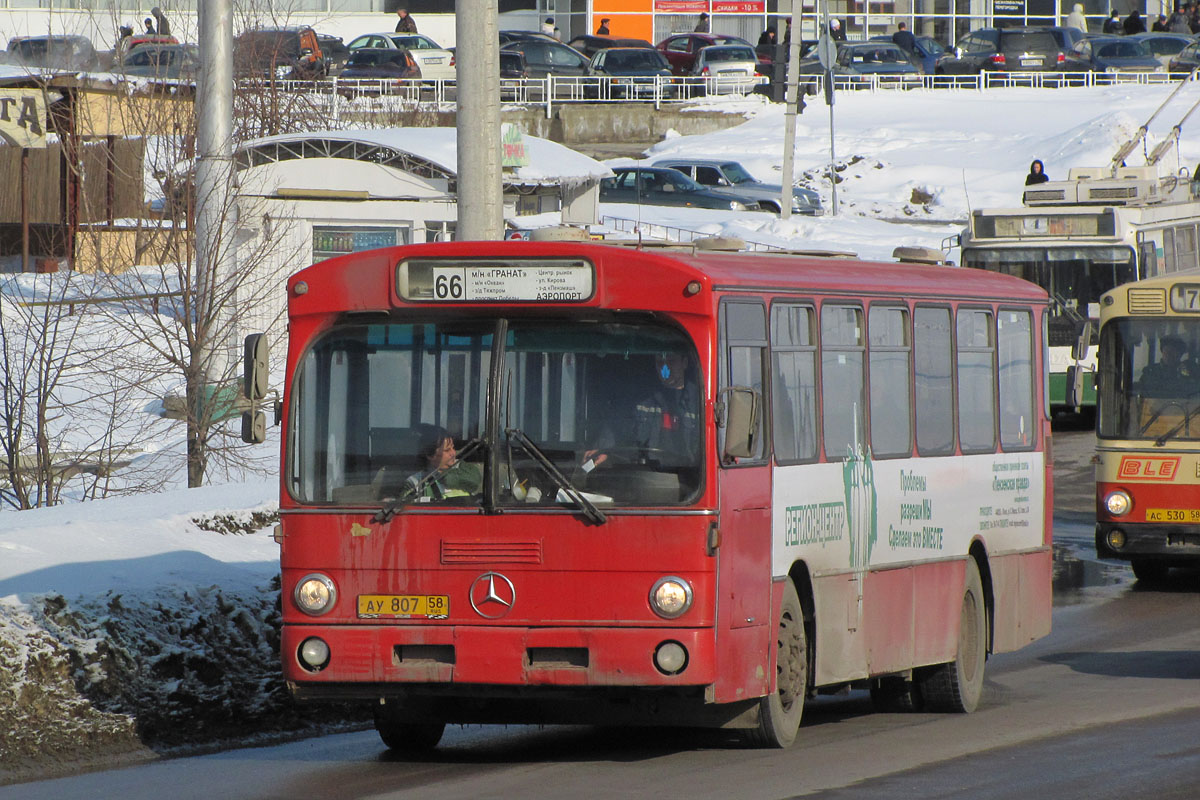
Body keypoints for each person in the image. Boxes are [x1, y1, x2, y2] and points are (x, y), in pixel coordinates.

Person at [405, 426, 482, 500]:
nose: (453, 453)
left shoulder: (464, 468)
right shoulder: (414, 483)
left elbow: (474, 481)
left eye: (453, 447)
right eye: (447, 450)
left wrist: (443, 475)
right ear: (430, 455)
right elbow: (402, 508)